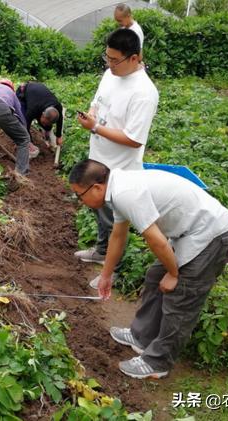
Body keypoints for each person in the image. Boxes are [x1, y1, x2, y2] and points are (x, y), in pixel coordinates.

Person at [69, 159, 228, 379]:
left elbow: (156, 240)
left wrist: (174, 273)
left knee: (181, 298)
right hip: (189, 233)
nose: (80, 200)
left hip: (213, 235)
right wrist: (106, 275)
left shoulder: (125, 193)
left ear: (97, 187)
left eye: (79, 195)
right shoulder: (117, 189)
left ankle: (158, 362)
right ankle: (142, 336)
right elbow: (118, 236)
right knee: (154, 277)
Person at [75, 29, 158, 289]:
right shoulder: (110, 76)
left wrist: (96, 129)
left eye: (115, 60)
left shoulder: (144, 92)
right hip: (98, 161)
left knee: (115, 222)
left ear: (134, 58)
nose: (109, 65)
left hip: (120, 170)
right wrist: (91, 116)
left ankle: (114, 272)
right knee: (99, 212)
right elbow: (97, 103)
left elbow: (134, 138)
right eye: (107, 58)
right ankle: (101, 251)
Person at [15, 82, 64, 159]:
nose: (44, 124)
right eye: (44, 122)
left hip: (38, 97)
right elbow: (25, 126)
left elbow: (60, 119)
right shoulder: (32, 110)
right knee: (22, 119)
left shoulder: (57, 106)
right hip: (23, 93)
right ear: (43, 114)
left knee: (47, 126)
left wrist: (59, 136)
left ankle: (48, 137)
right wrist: (29, 143)